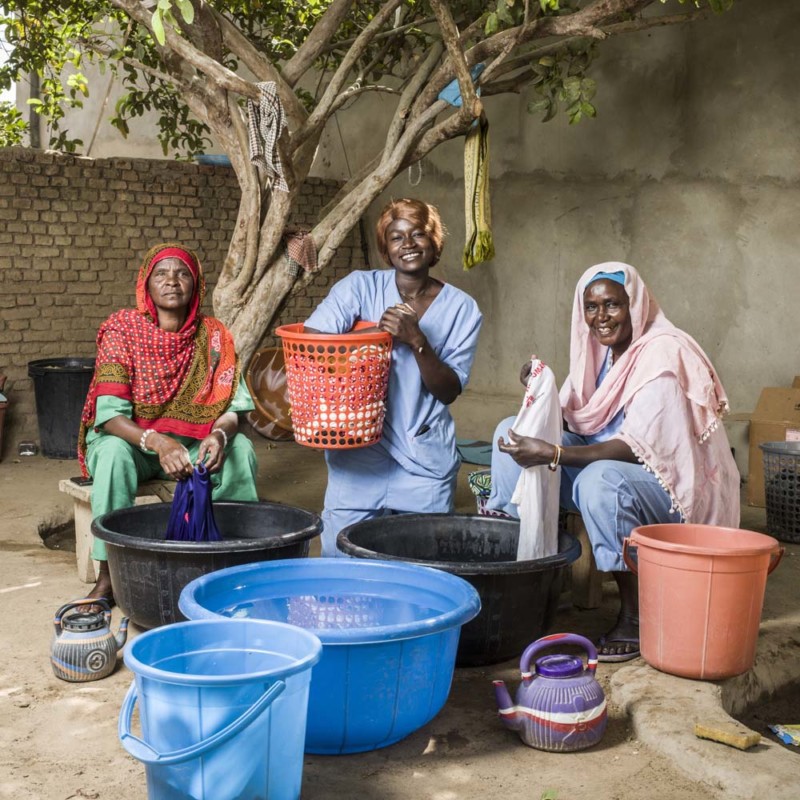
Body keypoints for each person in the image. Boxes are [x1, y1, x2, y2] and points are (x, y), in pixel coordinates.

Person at [491, 262, 740, 661]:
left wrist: (555, 454)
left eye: (612, 305)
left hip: (671, 489)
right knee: (511, 430)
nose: (600, 318)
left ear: (635, 305)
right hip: (610, 474)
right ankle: (520, 570)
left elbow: (635, 447)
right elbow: (573, 415)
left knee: (599, 480)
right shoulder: (599, 355)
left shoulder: (663, 354)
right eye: (591, 307)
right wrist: (540, 386)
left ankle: (636, 618)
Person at [77, 243, 259, 605]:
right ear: (147, 283)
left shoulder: (215, 336)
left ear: (197, 286)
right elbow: (110, 417)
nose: (172, 281)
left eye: (182, 274)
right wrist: (159, 443)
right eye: (161, 273)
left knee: (241, 449)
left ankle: (231, 560)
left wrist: (220, 435)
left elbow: (233, 408)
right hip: (132, 442)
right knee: (112, 456)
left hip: (192, 443)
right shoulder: (123, 331)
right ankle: (108, 576)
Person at [304, 198, 483, 556]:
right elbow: (312, 347)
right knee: (340, 563)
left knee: (420, 566)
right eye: (397, 237)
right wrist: (374, 336)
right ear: (386, 249)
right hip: (356, 457)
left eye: (418, 234)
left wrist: (417, 340)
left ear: (434, 245)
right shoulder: (359, 287)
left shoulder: (462, 308)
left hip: (423, 459)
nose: (408, 244)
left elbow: (448, 390)